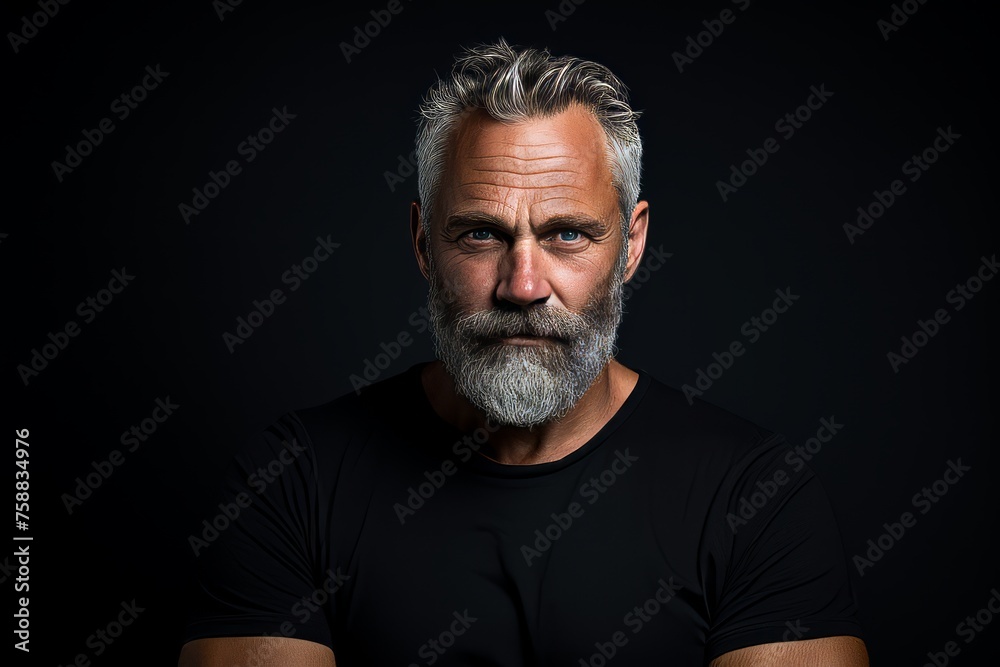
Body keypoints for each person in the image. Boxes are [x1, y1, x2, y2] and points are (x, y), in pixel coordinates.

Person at [178, 39, 869, 666]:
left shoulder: (756, 498)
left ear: (630, 245)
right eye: (481, 235)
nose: (524, 286)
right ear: (424, 244)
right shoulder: (291, 484)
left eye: (567, 234)